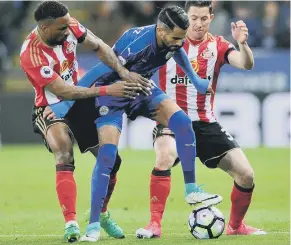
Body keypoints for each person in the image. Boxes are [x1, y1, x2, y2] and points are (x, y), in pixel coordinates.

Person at [55, 5, 223, 242]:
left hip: (141, 88)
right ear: (162, 30)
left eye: (182, 38)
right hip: (111, 95)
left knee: (183, 123)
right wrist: (66, 102)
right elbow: (99, 69)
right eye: (175, 37)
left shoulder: (174, 39)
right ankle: (93, 225)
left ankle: (191, 189)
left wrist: (195, 80)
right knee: (107, 157)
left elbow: (177, 52)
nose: (179, 42)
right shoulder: (136, 43)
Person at [19, 1, 152, 243]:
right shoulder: (31, 54)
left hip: (80, 100)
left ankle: (101, 213)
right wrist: (109, 90)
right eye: (61, 29)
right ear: (45, 28)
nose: (67, 31)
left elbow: (100, 46)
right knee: (63, 151)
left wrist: (123, 73)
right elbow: (63, 91)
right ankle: (70, 223)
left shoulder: (70, 26)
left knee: (112, 162)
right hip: (50, 107)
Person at [136, 0, 267, 239]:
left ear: (211, 17)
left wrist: (243, 44)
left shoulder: (217, 45)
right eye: (193, 18)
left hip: (205, 122)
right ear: (186, 16)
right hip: (171, 121)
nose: (198, 24)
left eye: (203, 19)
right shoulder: (169, 39)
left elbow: (246, 64)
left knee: (246, 175)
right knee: (164, 156)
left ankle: (236, 226)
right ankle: (154, 224)